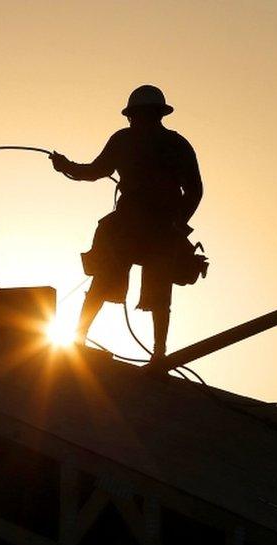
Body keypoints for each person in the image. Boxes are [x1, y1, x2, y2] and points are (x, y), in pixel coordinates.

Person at [50, 85, 203, 369]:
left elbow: (95, 171)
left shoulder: (128, 140)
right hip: (149, 226)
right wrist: (177, 223)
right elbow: (194, 191)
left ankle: (83, 339)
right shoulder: (175, 144)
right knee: (151, 288)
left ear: (133, 114)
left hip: (142, 226)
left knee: (112, 281)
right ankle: (156, 352)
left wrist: (66, 166)